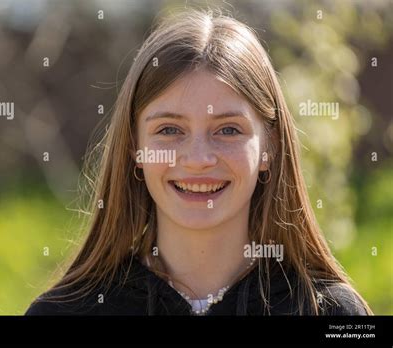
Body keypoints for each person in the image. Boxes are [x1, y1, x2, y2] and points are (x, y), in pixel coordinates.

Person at [25, 8, 372, 316]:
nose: (198, 159)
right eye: (170, 129)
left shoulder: (330, 311)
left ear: (270, 147)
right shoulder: (62, 312)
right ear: (135, 147)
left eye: (228, 130)